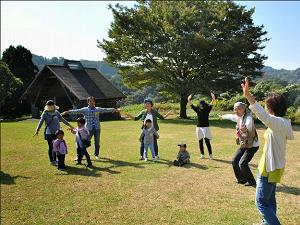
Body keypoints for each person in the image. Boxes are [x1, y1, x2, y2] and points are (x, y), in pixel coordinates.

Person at [241, 77, 294, 225]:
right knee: (270, 199)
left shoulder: (277, 122)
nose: (264, 108)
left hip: (268, 168)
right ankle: (266, 222)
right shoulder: (283, 123)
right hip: (276, 167)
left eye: (265, 106)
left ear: (272, 108)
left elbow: (262, 115)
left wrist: (248, 96)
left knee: (261, 202)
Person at [62, 96, 121, 161]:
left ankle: (96, 155)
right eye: (90, 101)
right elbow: (76, 111)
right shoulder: (85, 109)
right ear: (88, 102)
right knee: (85, 143)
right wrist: (68, 112)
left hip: (97, 128)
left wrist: (115, 110)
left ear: (94, 102)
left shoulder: (97, 109)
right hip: (88, 129)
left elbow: (106, 110)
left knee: (97, 143)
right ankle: (80, 156)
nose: (92, 102)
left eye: (93, 101)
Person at [220, 101, 259, 187]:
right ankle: (241, 179)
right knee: (234, 161)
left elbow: (248, 125)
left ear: (243, 109)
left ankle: (252, 182)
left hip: (252, 145)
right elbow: (230, 116)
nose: (236, 111)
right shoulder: (238, 117)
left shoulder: (248, 118)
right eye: (235, 109)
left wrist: (244, 129)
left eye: (238, 109)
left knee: (243, 163)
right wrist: (222, 116)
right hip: (244, 144)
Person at [34, 100, 73, 166]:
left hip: (57, 133)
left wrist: (70, 125)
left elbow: (62, 120)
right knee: (51, 147)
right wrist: (37, 130)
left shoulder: (56, 112)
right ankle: (52, 161)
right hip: (49, 133)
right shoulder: (45, 113)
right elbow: (41, 121)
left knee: (57, 146)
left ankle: (57, 159)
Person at [188, 92, 216, 160]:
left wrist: (213, 98)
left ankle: (210, 155)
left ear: (204, 105)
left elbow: (212, 103)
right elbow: (191, 105)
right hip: (199, 128)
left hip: (206, 127)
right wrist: (188, 99)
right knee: (200, 142)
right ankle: (202, 154)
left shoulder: (207, 109)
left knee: (207, 142)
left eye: (202, 105)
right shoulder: (198, 110)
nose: (202, 106)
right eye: (201, 105)